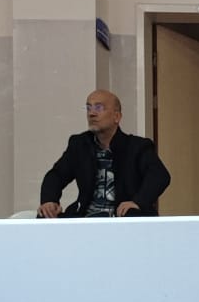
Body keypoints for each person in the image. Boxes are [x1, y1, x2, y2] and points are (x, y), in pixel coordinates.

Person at [39, 91, 170, 218]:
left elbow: (159, 175)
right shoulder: (80, 144)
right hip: (86, 216)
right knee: (44, 216)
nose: (91, 113)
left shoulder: (137, 146)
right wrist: (49, 201)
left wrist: (137, 202)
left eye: (99, 108)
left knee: (132, 215)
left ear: (116, 117)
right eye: (88, 108)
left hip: (122, 216)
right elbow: (56, 175)